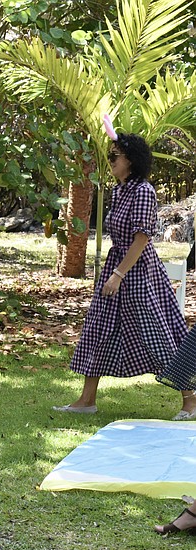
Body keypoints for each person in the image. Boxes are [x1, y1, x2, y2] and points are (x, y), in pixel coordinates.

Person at [53, 133, 191, 418]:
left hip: (137, 270)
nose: (111, 160)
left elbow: (141, 238)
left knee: (157, 333)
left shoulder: (144, 191)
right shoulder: (120, 190)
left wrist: (118, 274)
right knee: (98, 328)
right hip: (117, 264)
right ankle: (86, 399)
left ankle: (190, 398)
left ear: (131, 160)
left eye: (115, 156)